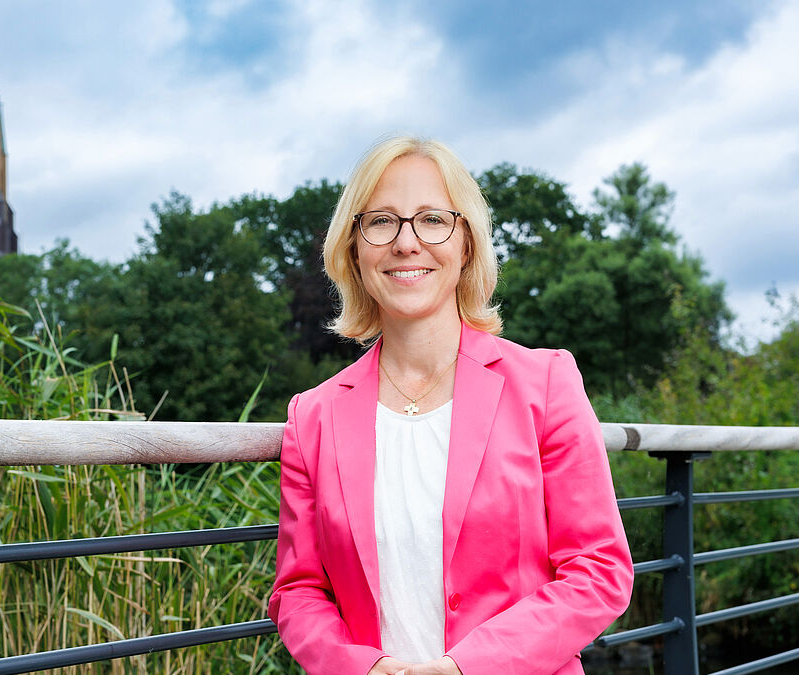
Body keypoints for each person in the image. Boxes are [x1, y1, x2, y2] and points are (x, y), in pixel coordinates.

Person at [268, 136, 634, 675]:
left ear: (466, 244)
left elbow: (598, 569)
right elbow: (298, 592)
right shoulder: (312, 417)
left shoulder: (546, 382)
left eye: (432, 219)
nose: (406, 242)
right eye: (381, 221)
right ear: (353, 249)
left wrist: (469, 667)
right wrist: (360, 668)